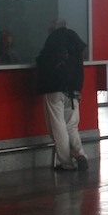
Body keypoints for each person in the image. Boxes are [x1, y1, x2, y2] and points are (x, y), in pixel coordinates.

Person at [36, 18, 88, 172]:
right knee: (71, 126)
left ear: (52, 28)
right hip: (73, 90)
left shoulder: (52, 41)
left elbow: (42, 61)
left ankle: (67, 163)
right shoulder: (75, 41)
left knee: (58, 126)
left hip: (54, 89)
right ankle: (81, 154)